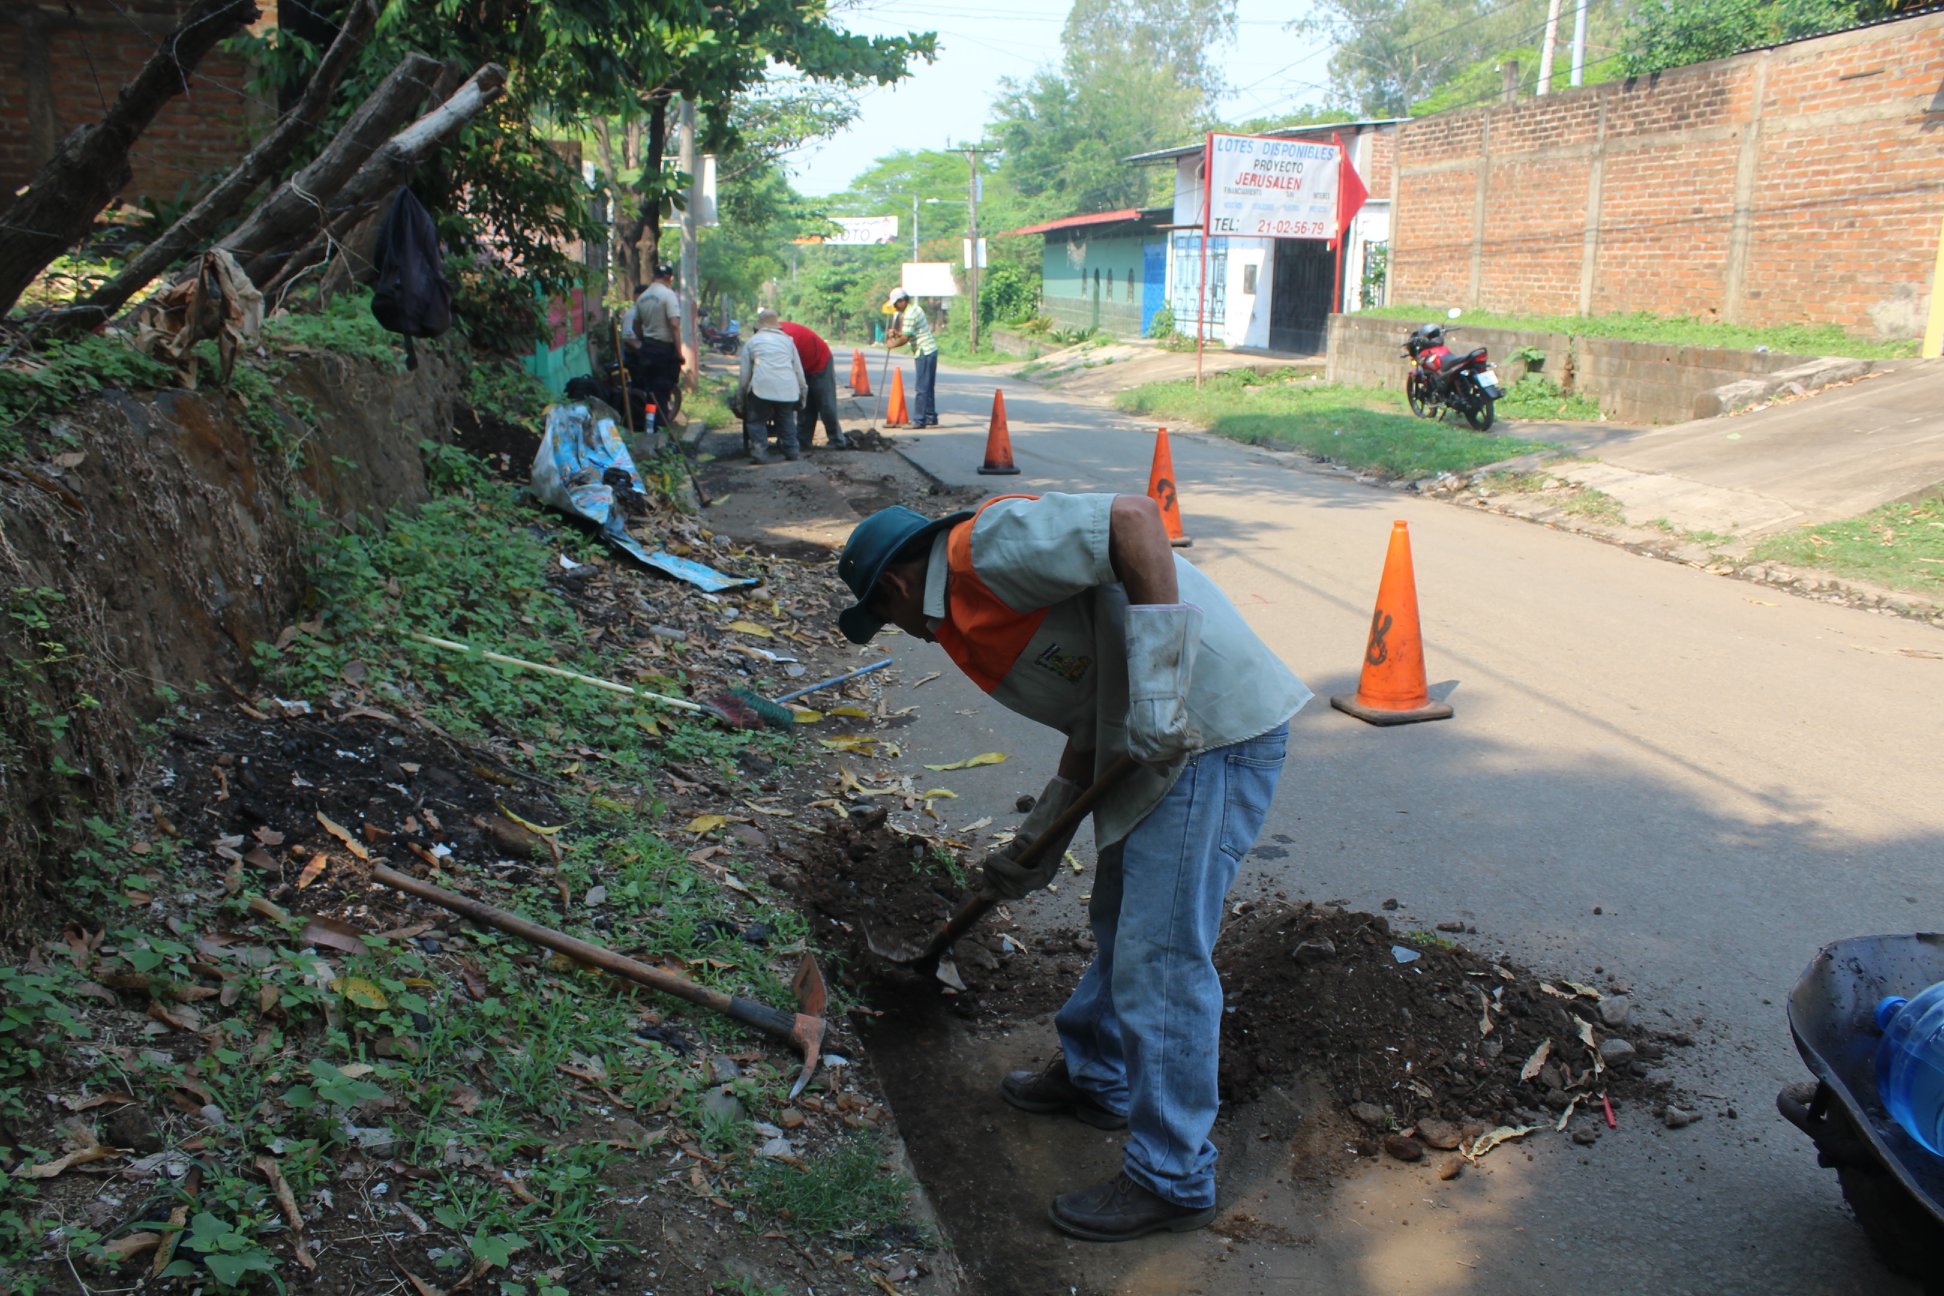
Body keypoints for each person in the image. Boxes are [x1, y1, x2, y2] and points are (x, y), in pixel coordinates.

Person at [832, 492, 1310, 1242]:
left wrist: (1159, 688)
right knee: (1122, 920)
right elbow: (1092, 706)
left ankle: (1173, 1177)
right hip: (1150, 740)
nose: (905, 636)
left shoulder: (980, 552)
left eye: (886, 620)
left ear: (891, 587)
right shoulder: (963, 615)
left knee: (1162, 955)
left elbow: (1135, 521)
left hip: (1207, 731)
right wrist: (1041, 835)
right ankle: (1101, 1078)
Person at [737, 308, 806, 463]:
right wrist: (802, 395)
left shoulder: (752, 342)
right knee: (786, 418)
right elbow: (798, 371)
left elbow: (744, 376)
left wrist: (740, 399)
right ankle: (792, 452)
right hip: (788, 389)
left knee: (756, 421)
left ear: (758, 326)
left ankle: (760, 453)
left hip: (762, 388)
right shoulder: (788, 341)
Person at [779, 319, 850, 449]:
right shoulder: (773, 337)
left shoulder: (784, 339)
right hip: (802, 365)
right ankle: (803, 440)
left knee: (826, 404)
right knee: (805, 406)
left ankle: (837, 441)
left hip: (819, 361)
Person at [630, 262, 682, 424]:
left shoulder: (643, 297)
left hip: (647, 350)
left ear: (654, 277)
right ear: (670, 278)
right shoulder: (668, 295)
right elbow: (674, 324)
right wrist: (679, 353)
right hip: (663, 351)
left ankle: (650, 426)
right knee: (663, 393)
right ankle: (662, 428)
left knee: (649, 393)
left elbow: (635, 325)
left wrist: (644, 340)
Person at [884, 287, 938, 427]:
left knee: (922, 387)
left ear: (903, 301)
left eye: (896, 303)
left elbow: (905, 338)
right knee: (928, 385)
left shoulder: (909, 314)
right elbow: (908, 333)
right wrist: (896, 333)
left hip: (923, 351)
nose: (895, 307)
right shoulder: (915, 308)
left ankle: (919, 420)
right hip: (930, 349)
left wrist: (892, 344)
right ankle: (930, 416)